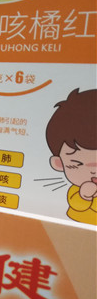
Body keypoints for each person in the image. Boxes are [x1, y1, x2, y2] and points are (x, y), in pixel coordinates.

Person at [46, 88, 97, 225]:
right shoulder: (76, 190)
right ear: (59, 163)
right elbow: (77, 204)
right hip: (75, 221)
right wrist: (84, 195)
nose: (94, 170)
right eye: (78, 163)